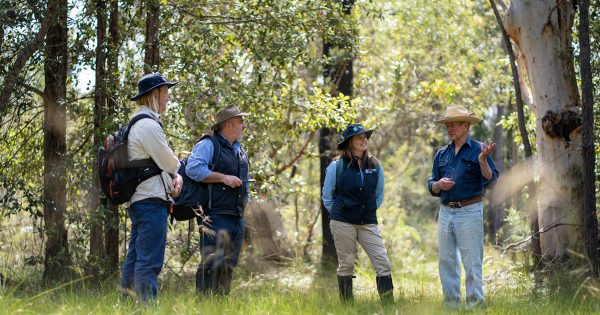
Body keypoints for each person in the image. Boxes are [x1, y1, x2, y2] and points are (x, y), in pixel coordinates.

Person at [427, 106, 499, 309]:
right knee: (446, 261)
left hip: (469, 211)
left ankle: (475, 307)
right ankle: (452, 307)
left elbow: (491, 181)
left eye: (454, 124)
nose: (450, 128)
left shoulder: (479, 149)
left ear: (466, 125)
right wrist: (439, 185)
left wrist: (483, 161)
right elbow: (431, 184)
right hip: (445, 212)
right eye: (448, 125)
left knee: (472, 262)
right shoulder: (442, 154)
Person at [120, 73, 183, 302]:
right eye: (166, 93)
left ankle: (126, 306)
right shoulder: (148, 125)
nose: (168, 99)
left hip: (141, 201)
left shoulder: (139, 123)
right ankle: (147, 308)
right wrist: (178, 170)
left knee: (136, 259)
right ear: (156, 94)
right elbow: (169, 162)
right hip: (151, 201)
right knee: (149, 262)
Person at [322, 123, 393, 305]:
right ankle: (347, 307)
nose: (364, 140)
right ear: (349, 142)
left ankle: (389, 307)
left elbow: (379, 194)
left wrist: (366, 210)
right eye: (359, 137)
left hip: (368, 222)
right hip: (342, 222)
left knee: (382, 263)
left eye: (365, 137)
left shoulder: (375, 164)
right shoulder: (336, 167)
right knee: (346, 264)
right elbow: (327, 197)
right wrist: (340, 214)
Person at [185, 105, 250, 295]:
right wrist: (223, 177)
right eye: (240, 122)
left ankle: (220, 307)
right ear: (228, 124)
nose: (244, 126)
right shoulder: (209, 144)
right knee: (211, 264)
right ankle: (204, 306)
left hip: (237, 217)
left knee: (228, 265)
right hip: (215, 215)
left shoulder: (240, 150)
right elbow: (193, 169)